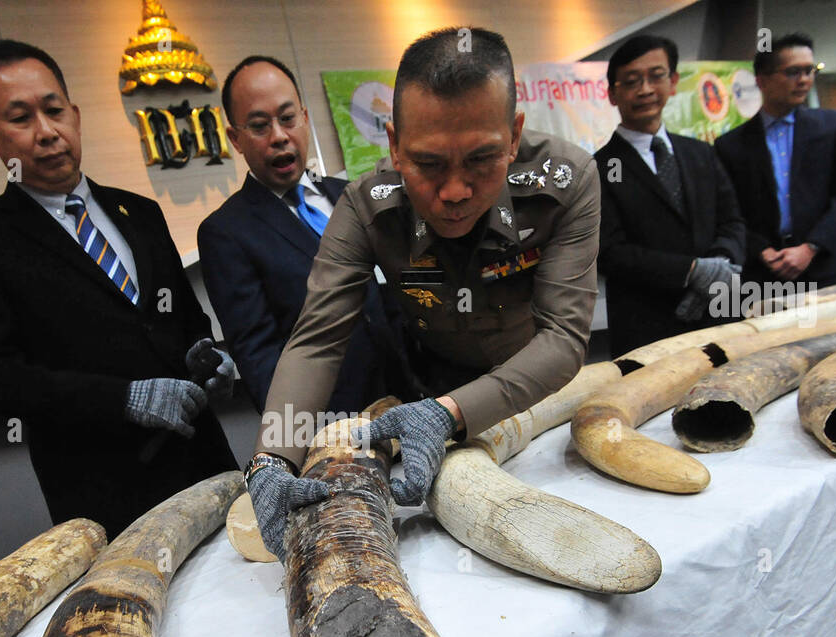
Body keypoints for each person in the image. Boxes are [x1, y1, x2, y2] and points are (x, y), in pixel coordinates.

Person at [246, 26, 600, 559]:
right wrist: (272, 458)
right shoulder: (367, 206)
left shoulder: (566, 180)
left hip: (544, 398)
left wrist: (449, 414)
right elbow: (316, 341)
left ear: (513, 135)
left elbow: (565, 338)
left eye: (481, 159)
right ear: (392, 143)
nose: (454, 192)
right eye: (428, 164)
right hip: (428, 394)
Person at [0, 40, 237, 537]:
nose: (47, 132)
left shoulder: (140, 212)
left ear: (75, 115)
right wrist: (123, 398)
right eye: (20, 118)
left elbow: (184, 320)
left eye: (54, 111)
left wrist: (208, 359)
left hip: (203, 457)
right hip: (105, 489)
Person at [198, 55, 400, 414]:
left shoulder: (349, 195)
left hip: (407, 399)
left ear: (305, 119)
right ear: (235, 138)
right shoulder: (226, 233)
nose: (279, 137)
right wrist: (302, 444)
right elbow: (258, 356)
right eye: (259, 126)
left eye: (288, 119)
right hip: (335, 427)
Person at [594, 34, 746, 357]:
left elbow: (732, 220)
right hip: (649, 329)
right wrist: (691, 272)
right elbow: (609, 252)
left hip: (721, 315)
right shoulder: (599, 167)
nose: (646, 89)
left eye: (656, 76)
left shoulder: (701, 152)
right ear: (612, 94)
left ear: (674, 82)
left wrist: (716, 268)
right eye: (632, 81)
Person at [715, 32, 836, 288]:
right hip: (764, 273)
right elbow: (729, 211)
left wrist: (810, 247)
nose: (804, 80)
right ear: (762, 81)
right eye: (793, 72)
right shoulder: (731, 145)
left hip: (826, 266)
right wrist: (761, 250)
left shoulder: (833, 125)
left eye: (810, 71)